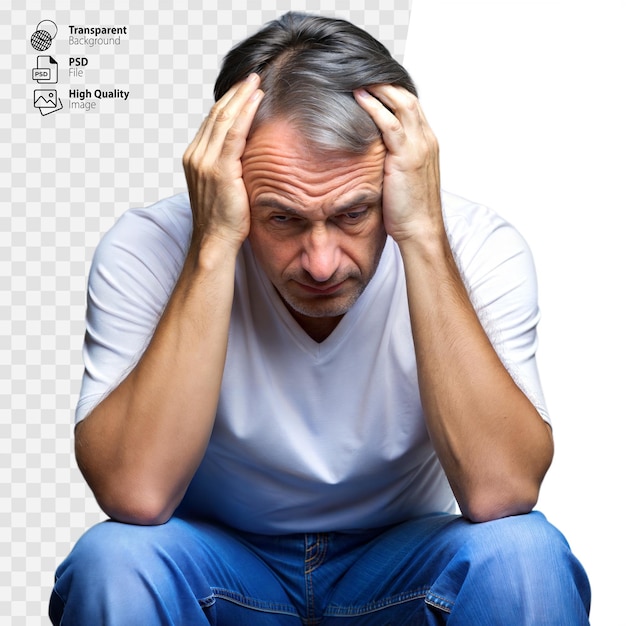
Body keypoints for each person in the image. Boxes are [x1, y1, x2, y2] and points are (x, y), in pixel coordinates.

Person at [50, 11, 591, 625]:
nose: (321, 262)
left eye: (354, 212)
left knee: (524, 555)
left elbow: (503, 491)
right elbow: (135, 495)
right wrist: (213, 244)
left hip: (404, 565)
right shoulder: (148, 247)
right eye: (281, 217)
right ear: (225, 177)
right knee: (114, 559)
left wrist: (421, 234)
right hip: (220, 565)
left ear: (396, 175)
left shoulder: (477, 246)